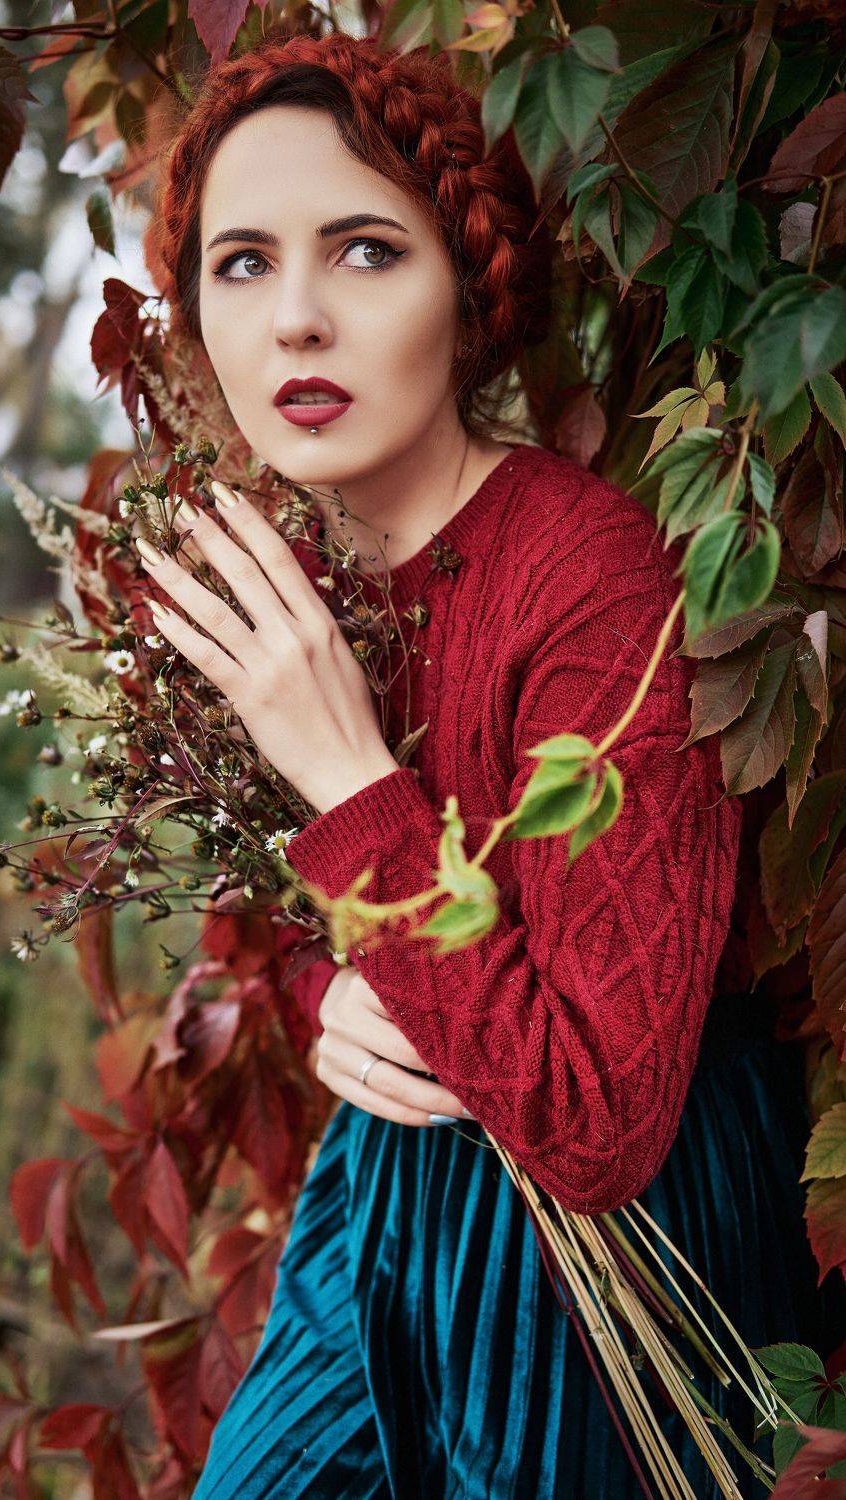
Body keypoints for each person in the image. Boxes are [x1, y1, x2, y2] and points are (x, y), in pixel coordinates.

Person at [141, 30, 845, 1498]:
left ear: (468, 288)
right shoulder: (292, 576)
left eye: (365, 251)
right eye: (243, 264)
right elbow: (333, 916)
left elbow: (596, 1124)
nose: (298, 321)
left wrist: (351, 780)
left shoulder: (588, 581)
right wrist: (338, 998)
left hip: (615, 1244)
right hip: (394, 1180)